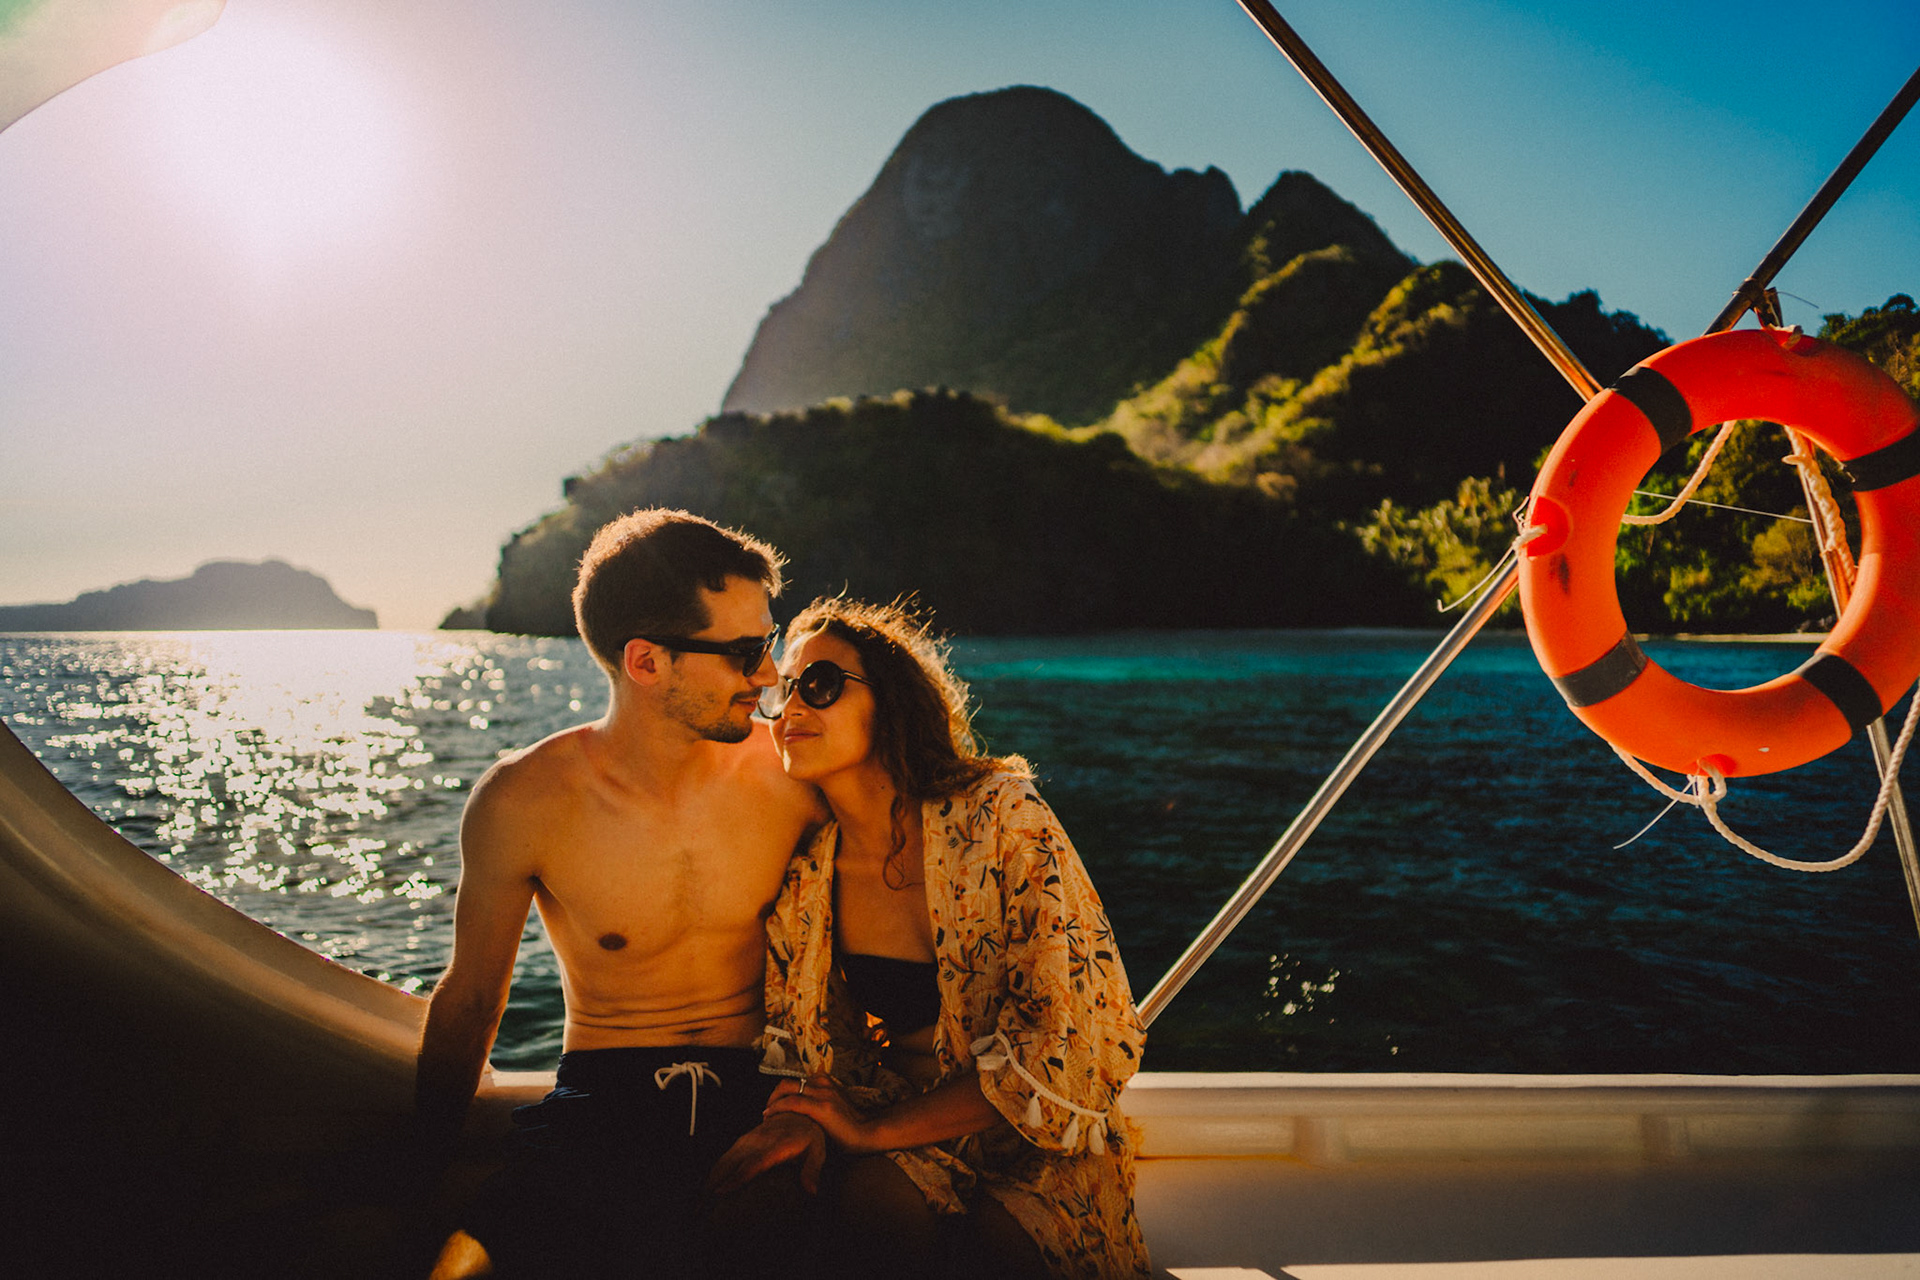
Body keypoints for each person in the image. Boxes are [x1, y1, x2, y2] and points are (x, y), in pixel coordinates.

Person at [414, 508, 826, 1279]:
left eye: (768, 644)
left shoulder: (797, 775)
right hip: (603, 1103)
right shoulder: (523, 800)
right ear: (645, 662)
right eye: (744, 654)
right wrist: (420, 1177)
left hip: (766, 1096)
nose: (769, 677)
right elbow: (471, 1000)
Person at [708, 597, 1151, 1279]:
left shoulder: (1002, 814)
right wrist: (810, 1117)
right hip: (896, 1115)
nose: (791, 707)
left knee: (998, 1252)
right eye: (783, 689)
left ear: (889, 702)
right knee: (799, 1213)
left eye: (820, 685)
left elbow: (1073, 1035)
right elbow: (800, 1031)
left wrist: (873, 1133)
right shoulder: (809, 864)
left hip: (1036, 1139)